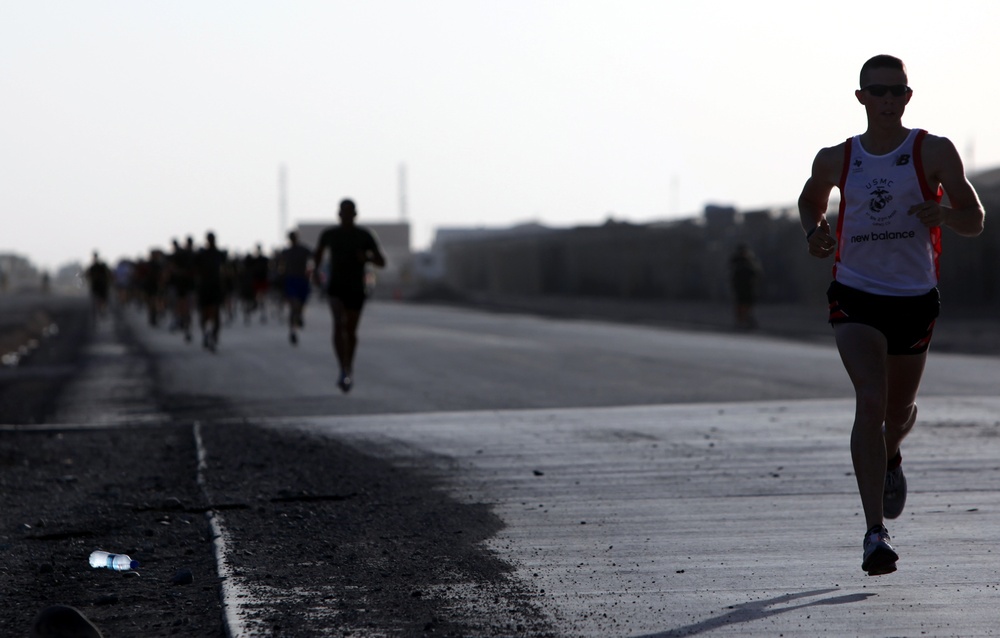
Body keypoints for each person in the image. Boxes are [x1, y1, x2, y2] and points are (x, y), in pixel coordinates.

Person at [798, 54, 985, 576]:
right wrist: (814, 233)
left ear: (907, 97)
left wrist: (946, 214)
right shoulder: (837, 158)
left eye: (895, 92)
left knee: (898, 412)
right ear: (861, 98)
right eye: (876, 91)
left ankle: (893, 454)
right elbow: (810, 200)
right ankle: (874, 533)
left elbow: (975, 220)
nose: (886, 100)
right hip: (855, 293)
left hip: (914, 297)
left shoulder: (933, 151)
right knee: (870, 398)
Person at [312, 198, 386, 392]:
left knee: (351, 331)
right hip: (336, 287)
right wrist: (315, 275)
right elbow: (317, 255)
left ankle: (349, 366)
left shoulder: (364, 235)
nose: (346, 216)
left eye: (349, 213)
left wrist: (367, 257)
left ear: (355, 215)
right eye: (343, 213)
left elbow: (381, 262)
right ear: (338, 215)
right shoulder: (330, 234)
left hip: (355, 289)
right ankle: (342, 368)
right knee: (338, 324)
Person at [278, 231, 313, 345]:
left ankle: (298, 319)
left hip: (302, 280)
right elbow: (280, 266)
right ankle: (293, 330)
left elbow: (314, 258)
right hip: (291, 280)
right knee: (294, 306)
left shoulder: (303, 250)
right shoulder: (286, 252)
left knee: (300, 306)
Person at [195, 231, 227, 352]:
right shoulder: (207, 254)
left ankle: (211, 336)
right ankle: (209, 335)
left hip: (212, 287)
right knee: (208, 313)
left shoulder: (217, 254)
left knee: (213, 314)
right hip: (208, 287)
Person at [728, 243, 763, 330]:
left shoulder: (751, 262)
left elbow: (757, 274)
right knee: (741, 306)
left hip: (748, 289)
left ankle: (746, 322)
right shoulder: (737, 262)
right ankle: (741, 322)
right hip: (740, 288)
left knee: (747, 307)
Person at [84, 251, 111, 320]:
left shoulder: (93, 267)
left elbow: (87, 275)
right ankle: (101, 309)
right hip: (101, 285)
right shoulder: (100, 266)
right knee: (102, 299)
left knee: (99, 299)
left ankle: (101, 309)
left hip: (98, 285)